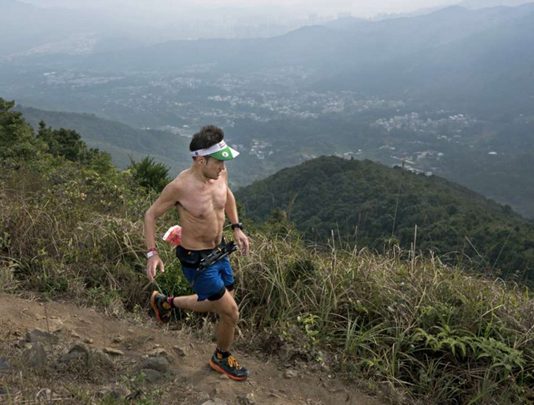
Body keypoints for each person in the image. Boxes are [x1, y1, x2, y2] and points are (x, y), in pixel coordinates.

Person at [143, 125, 250, 381]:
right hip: (197, 260)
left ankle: (165, 303)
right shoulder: (181, 187)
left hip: (219, 251)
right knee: (230, 312)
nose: (223, 167)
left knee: (218, 303)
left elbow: (227, 196)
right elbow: (150, 215)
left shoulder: (220, 173)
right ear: (201, 160)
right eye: (218, 162)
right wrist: (152, 253)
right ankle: (221, 357)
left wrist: (236, 227)